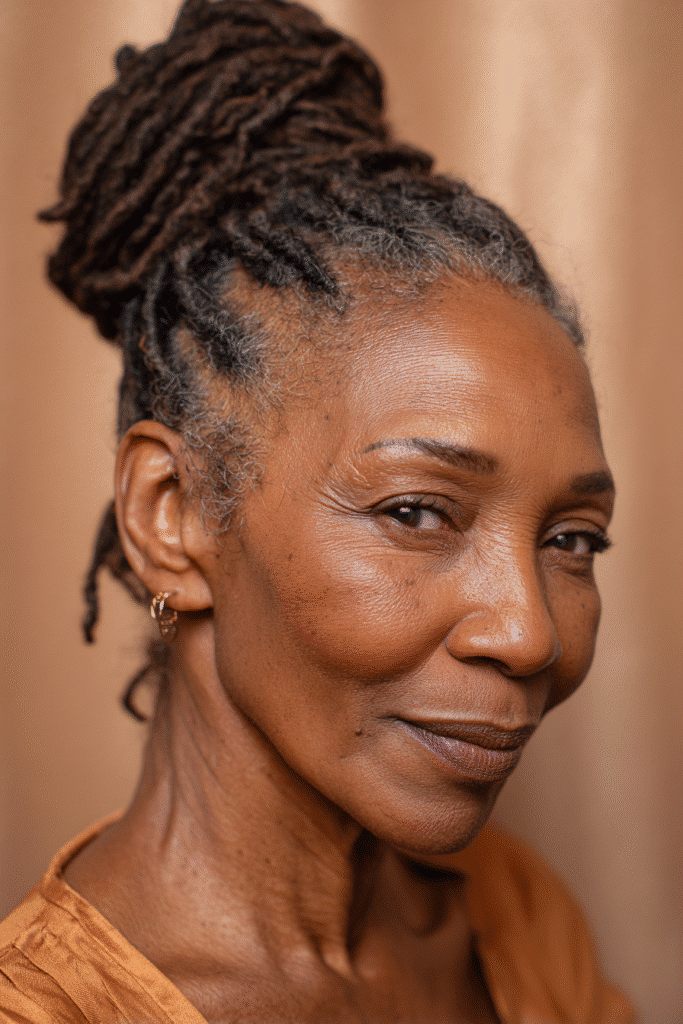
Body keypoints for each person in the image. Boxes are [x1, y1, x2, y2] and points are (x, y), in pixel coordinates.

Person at [0, 1, 634, 1021]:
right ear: (171, 517)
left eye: (570, 538)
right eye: (420, 512)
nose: (530, 632)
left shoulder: (516, 924)